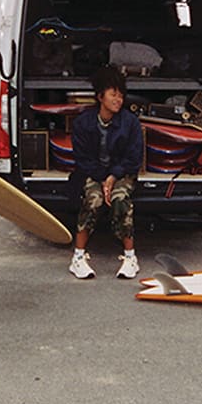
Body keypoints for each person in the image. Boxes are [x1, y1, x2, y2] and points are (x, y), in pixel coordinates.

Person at [68, 65, 144, 279]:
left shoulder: (130, 122)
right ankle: (78, 257)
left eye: (121, 96)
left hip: (122, 174)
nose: (118, 100)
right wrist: (102, 179)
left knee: (120, 198)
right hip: (93, 173)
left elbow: (134, 158)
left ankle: (130, 257)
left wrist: (112, 177)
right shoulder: (83, 122)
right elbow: (81, 159)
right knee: (93, 199)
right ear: (100, 96)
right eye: (113, 94)